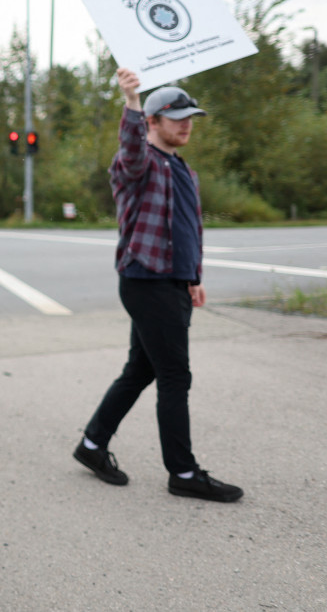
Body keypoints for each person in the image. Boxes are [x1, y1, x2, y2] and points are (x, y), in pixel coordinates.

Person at [72, 68, 243, 503]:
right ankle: (182, 472)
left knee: (141, 369)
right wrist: (131, 100)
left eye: (190, 117)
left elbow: (189, 229)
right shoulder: (139, 163)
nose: (186, 123)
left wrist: (194, 278)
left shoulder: (182, 168)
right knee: (175, 375)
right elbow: (129, 152)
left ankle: (92, 444)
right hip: (147, 281)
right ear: (152, 121)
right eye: (176, 116)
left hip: (171, 281)